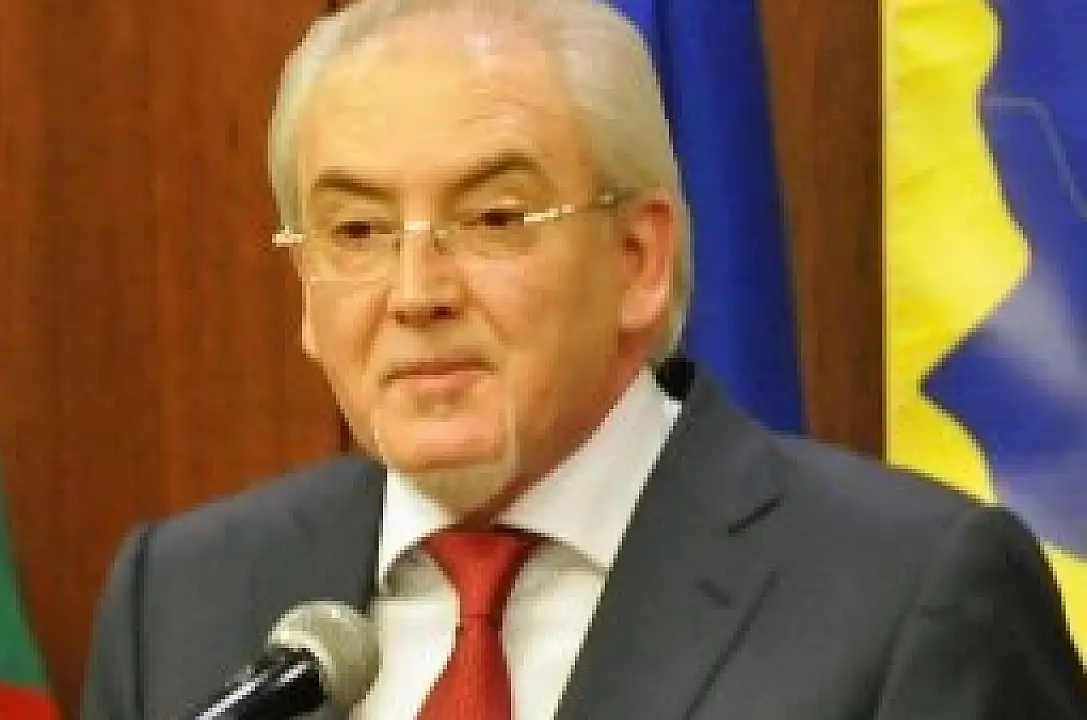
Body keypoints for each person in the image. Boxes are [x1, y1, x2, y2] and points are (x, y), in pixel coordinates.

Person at [81, 0, 1087, 718]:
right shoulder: (180, 600)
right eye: (355, 232)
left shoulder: (909, 596)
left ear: (638, 259)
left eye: (494, 218)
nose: (415, 292)